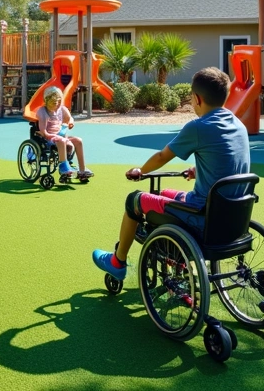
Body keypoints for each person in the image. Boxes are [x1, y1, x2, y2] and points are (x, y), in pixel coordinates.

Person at [91, 67, 250, 280]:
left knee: (134, 201)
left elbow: (161, 157)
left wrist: (141, 170)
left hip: (203, 216)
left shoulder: (199, 127)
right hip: (232, 217)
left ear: (196, 98)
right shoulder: (238, 124)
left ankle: (117, 262)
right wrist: (200, 170)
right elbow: (229, 161)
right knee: (165, 192)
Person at [35, 86, 93, 182]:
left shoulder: (62, 109)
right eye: (54, 103)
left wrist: (70, 122)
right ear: (48, 101)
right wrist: (53, 136)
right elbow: (44, 132)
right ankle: (63, 167)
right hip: (49, 138)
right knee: (62, 140)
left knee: (78, 140)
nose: (57, 105)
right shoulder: (42, 112)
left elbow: (69, 118)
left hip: (61, 136)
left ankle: (82, 170)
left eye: (59, 102)